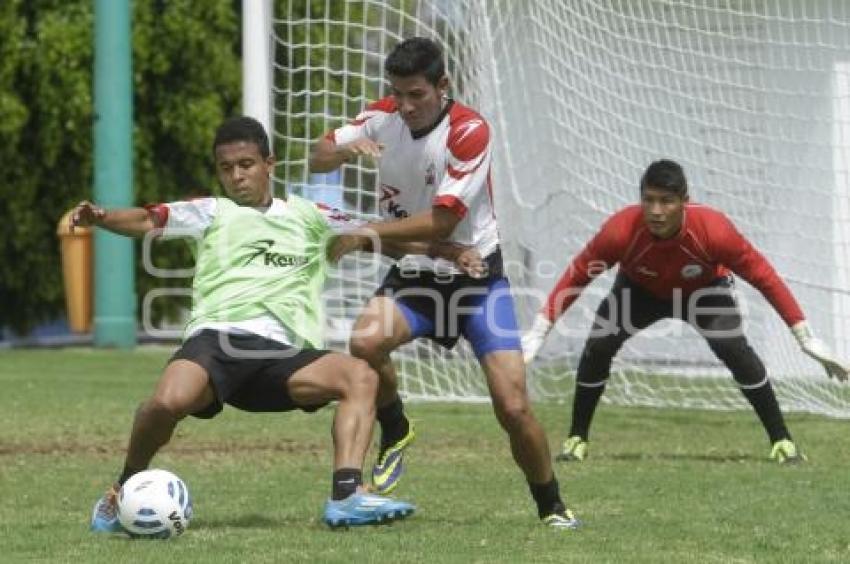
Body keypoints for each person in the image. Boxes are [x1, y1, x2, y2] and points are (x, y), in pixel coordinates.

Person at [75, 116, 432, 531]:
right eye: (226, 168)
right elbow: (146, 220)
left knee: (360, 375)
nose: (236, 176)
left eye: (245, 164)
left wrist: (450, 247)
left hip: (282, 356)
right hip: (216, 343)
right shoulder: (212, 211)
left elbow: (383, 236)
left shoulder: (310, 215)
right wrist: (100, 216)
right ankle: (122, 490)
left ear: (269, 164)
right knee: (163, 405)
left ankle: (346, 497)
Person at [309, 37, 579, 529]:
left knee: (514, 407)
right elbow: (317, 156)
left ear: (442, 85)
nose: (406, 106)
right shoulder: (382, 116)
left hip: (475, 282)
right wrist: (343, 151)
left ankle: (552, 505)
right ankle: (397, 428)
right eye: (398, 94)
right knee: (365, 341)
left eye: (416, 95)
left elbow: (440, 221)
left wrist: (365, 232)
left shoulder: (470, 131)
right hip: (416, 276)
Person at [522, 159, 850, 464]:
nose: (656, 211)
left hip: (704, 290)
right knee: (599, 344)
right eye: (648, 200)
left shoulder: (714, 230)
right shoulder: (621, 230)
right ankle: (576, 440)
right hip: (640, 289)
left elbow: (764, 277)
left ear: (685, 201)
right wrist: (539, 331)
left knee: (733, 348)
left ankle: (782, 442)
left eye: (666, 201)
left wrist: (804, 337)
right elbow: (579, 274)